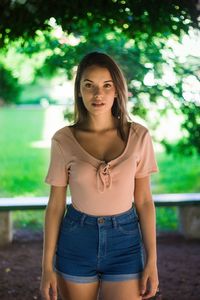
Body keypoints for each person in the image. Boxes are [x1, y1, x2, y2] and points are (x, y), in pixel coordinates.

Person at [40, 51, 159, 300]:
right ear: (79, 91)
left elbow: (145, 201)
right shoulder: (63, 140)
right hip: (76, 240)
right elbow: (55, 206)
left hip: (125, 242)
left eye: (107, 85)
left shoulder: (138, 136)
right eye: (89, 85)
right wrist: (46, 266)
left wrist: (152, 261)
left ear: (117, 90)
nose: (98, 94)